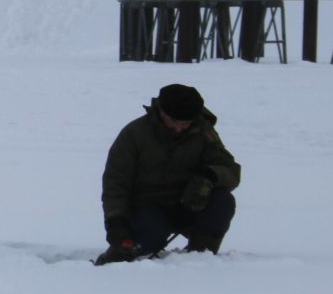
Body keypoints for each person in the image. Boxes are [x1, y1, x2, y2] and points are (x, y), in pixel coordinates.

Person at [96, 83, 240, 265]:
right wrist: (115, 221)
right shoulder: (134, 134)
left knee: (223, 201)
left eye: (186, 123)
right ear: (161, 112)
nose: (180, 128)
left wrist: (211, 175)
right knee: (145, 241)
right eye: (175, 121)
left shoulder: (204, 133)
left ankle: (201, 258)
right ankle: (117, 257)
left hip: (191, 204)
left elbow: (231, 170)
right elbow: (115, 183)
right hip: (147, 206)